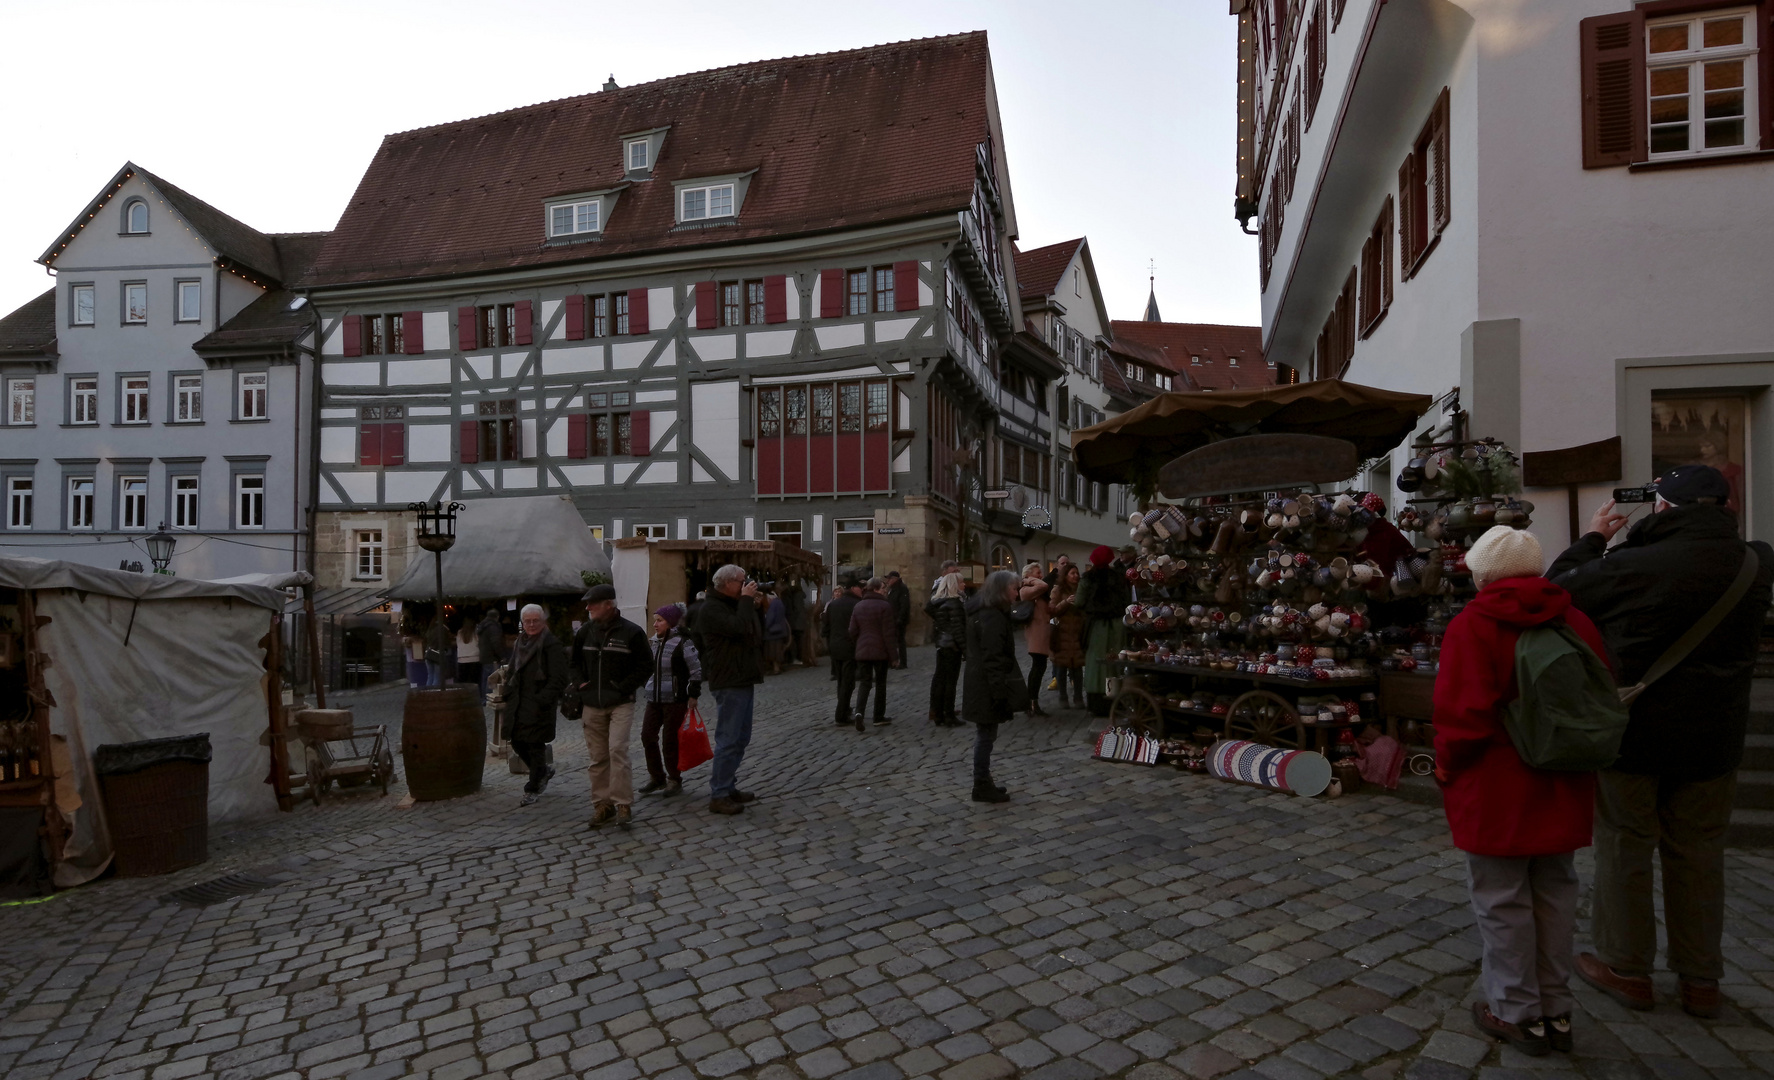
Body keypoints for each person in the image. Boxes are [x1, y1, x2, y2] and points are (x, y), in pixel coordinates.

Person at [1548, 465, 1774, 1018]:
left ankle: (1627, 968)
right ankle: (1700, 980)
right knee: (1699, 852)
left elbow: (1558, 590)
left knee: (1626, 844)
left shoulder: (1634, 564)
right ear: (1724, 509)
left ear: (1664, 508)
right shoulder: (1755, 561)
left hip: (1637, 730)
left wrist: (1597, 536)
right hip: (1715, 736)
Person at [1433, 527, 1611, 1056]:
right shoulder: (1574, 619)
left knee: (1501, 898)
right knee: (1556, 893)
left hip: (1497, 784)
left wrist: (1445, 768)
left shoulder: (1475, 625)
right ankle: (1556, 1011)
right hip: (1562, 777)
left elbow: (1462, 717)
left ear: (1484, 572)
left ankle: (1516, 1013)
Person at [569, 585, 651, 829]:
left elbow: (646, 666)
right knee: (597, 757)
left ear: (608, 605)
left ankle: (622, 803)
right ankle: (602, 805)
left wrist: (622, 687)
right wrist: (580, 684)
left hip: (620, 702)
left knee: (617, 750)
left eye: (592, 604)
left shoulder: (632, 632)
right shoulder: (585, 632)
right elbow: (573, 664)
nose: (587, 608)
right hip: (591, 703)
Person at [698, 564, 765, 814]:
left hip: (741, 677)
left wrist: (753, 605)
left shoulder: (729, 604)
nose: (745, 584)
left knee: (740, 737)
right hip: (728, 680)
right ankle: (719, 794)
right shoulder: (712, 608)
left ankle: (727, 786)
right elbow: (737, 628)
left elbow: (752, 632)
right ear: (727, 583)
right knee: (728, 738)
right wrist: (746, 601)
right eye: (741, 581)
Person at [963, 570, 1026, 803]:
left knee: (987, 734)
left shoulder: (989, 613)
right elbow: (993, 657)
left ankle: (984, 781)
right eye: (1013, 588)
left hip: (982, 681)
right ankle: (980, 783)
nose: (1016, 593)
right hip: (986, 684)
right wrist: (999, 692)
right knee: (986, 735)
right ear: (1001, 590)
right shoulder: (991, 616)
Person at [503, 604, 567, 806]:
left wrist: (543, 698)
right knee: (516, 741)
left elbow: (559, 677)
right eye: (527, 621)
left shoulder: (551, 644)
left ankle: (532, 788)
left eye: (535, 620)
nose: (531, 624)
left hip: (538, 703)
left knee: (534, 745)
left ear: (542, 621)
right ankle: (543, 771)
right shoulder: (520, 642)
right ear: (522, 623)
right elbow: (513, 668)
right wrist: (507, 690)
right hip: (519, 702)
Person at [639, 604, 701, 798]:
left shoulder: (683, 642)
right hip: (654, 698)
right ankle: (657, 777)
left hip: (675, 699)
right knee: (647, 736)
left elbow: (696, 669)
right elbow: (649, 667)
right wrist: (646, 683)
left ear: (671, 622)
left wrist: (693, 694)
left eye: (659, 620)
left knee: (670, 740)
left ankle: (674, 779)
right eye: (655, 620)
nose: (655, 624)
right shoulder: (654, 642)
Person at [1076, 545, 1129, 716]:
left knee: (1095, 663)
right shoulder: (1119, 577)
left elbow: (1079, 602)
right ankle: (1113, 701)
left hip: (1097, 624)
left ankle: (1096, 703)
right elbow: (1127, 600)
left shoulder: (1087, 578)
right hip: (1116, 624)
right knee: (1113, 662)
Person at [849, 577, 897, 730]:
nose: (885, 591)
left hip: (863, 650)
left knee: (865, 682)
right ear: (876, 589)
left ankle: (859, 712)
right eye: (883, 588)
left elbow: (852, 631)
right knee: (881, 683)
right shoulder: (885, 606)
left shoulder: (858, 606)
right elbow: (888, 633)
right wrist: (894, 656)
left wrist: (859, 643)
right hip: (880, 651)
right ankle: (878, 716)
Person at [925, 573, 967, 727]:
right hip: (952, 645)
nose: (964, 585)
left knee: (941, 680)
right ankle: (948, 714)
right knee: (950, 682)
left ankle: (938, 713)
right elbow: (958, 629)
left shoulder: (938, 603)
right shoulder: (954, 604)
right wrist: (966, 650)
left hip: (942, 644)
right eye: (961, 582)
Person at [824, 578, 864, 725]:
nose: (862, 590)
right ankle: (841, 714)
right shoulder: (856, 605)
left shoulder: (833, 604)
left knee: (841, 680)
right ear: (853, 588)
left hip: (835, 646)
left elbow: (826, 627)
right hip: (849, 646)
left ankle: (844, 709)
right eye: (860, 587)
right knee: (848, 682)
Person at [1018, 562, 1054, 717]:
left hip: (1043, 632)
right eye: (1038, 572)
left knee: (1039, 667)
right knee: (1037, 667)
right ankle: (1031, 702)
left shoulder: (1037, 593)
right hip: (1035, 633)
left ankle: (1032, 701)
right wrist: (1027, 580)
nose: (1041, 575)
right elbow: (1043, 586)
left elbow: (1048, 610)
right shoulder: (1026, 589)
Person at [1049, 564, 1086, 710]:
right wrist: (1065, 602)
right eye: (1072, 573)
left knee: (1077, 667)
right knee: (1061, 666)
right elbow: (1052, 610)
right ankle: (1063, 697)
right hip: (1061, 633)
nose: (1075, 576)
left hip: (1077, 633)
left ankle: (1078, 697)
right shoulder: (1058, 589)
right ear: (1065, 575)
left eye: (1077, 573)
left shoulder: (1081, 589)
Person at [476, 607, 508, 702]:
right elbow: (496, 642)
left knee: (485, 678)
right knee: (492, 679)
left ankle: (483, 699)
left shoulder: (482, 626)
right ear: (497, 617)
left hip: (484, 656)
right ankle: (489, 699)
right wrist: (502, 656)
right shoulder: (493, 627)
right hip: (492, 656)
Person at [761, 587, 791, 676]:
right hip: (780, 631)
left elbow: (770, 618)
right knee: (778, 651)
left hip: (773, 632)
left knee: (773, 652)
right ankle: (777, 668)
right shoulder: (779, 603)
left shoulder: (773, 605)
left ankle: (776, 669)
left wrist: (765, 627)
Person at [885, 571, 911, 668]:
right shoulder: (892, 589)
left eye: (890, 578)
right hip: (892, 619)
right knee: (892, 641)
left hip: (899, 619)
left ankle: (903, 662)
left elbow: (904, 605)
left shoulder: (901, 588)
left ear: (895, 579)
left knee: (900, 641)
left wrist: (900, 618)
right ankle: (892, 661)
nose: (888, 581)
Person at [782, 579, 809, 666]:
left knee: (796, 642)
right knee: (798, 641)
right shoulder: (800, 596)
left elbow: (796, 610)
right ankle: (798, 658)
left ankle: (796, 658)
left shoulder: (795, 597)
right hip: (799, 622)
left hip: (796, 623)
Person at [454, 621, 482, 702]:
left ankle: (463, 698)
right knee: (474, 682)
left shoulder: (460, 632)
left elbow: (457, 643)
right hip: (474, 659)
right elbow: (479, 643)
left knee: (463, 682)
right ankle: (473, 699)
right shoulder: (475, 632)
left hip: (461, 659)